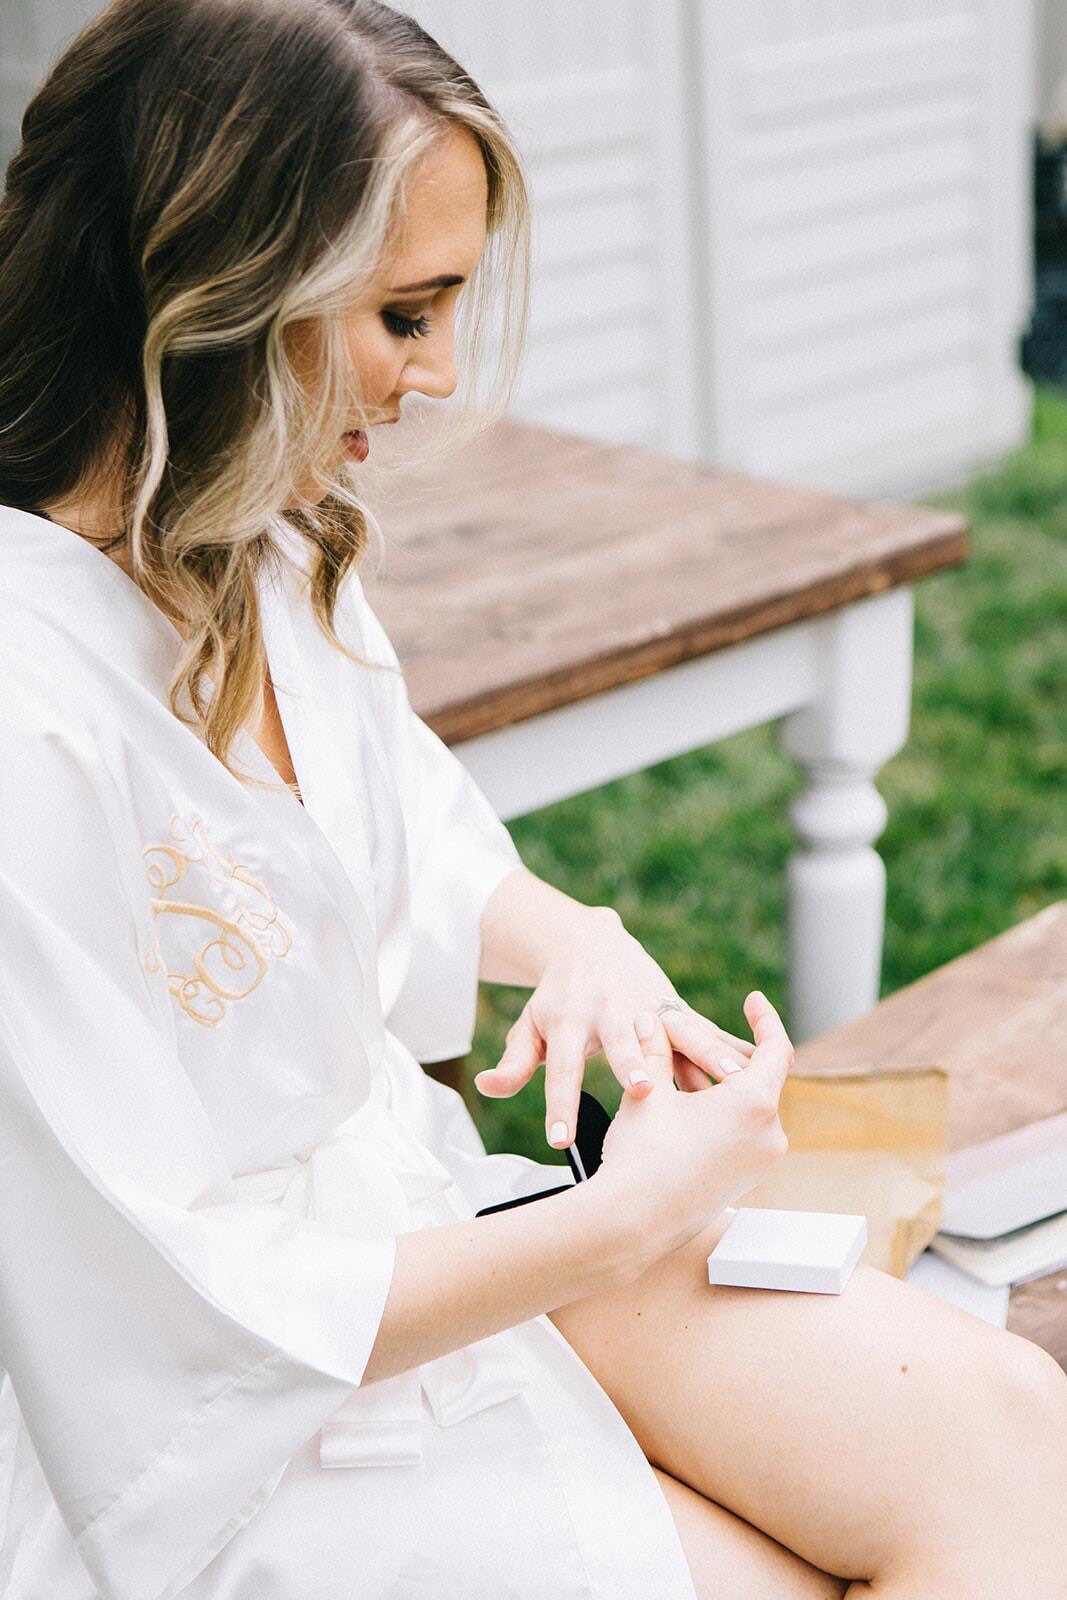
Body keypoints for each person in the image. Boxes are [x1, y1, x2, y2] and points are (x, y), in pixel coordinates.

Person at [0, 3, 1063, 1597]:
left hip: (416, 1225)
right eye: (404, 314)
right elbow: (172, 1315)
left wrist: (574, 936)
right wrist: (619, 1223)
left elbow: (398, 833)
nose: (429, 376)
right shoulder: (28, 717)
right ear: (216, 292)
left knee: (1008, 1432)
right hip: (209, 1424)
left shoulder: (261, 545)